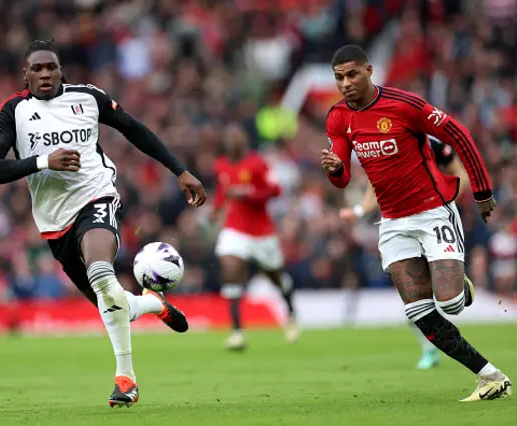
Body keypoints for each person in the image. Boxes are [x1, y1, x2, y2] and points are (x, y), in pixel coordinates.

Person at [0, 39, 207, 408]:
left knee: (102, 273)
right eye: (36, 68)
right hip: (54, 223)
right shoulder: (12, 112)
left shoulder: (87, 98)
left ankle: (126, 380)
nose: (44, 74)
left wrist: (179, 170)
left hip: (96, 198)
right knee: (112, 302)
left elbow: (134, 129)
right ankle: (151, 305)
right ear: (25, 74)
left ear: (60, 71)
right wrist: (43, 161)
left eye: (50, 67)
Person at [321, 44, 511, 401]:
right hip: (392, 222)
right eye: (338, 78)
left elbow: (459, 136)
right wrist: (335, 169)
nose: (345, 83)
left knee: (451, 303)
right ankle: (490, 377)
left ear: (369, 71)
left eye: (352, 75)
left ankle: (459, 285)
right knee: (419, 313)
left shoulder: (404, 105)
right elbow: (343, 178)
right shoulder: (337, 118)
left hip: (432, 211)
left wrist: (483, 192)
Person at [340, 136, 470, 370]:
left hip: (433, 220)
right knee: (411, 296)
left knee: (446, 297)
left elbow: (461, 176)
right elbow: (375, 191)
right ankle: (429, 349)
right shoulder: (383, 146)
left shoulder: (432, 143)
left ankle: (459, 286)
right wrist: (358, 211)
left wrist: (442, 203)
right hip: (401, 226)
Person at [212, 123, 298, 351]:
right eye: (229, 136)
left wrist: (249, 193)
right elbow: (223, 192)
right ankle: (237, 332)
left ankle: (291, 315)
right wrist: (215, 211)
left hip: (261, 233)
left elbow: (275, 190)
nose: (232, 140)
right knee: (230, 267)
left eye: (236, 136)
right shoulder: (220, 164)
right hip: (234, 229)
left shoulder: (258, 163)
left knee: (276, 277)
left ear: (244, 140)